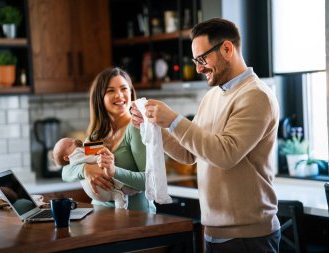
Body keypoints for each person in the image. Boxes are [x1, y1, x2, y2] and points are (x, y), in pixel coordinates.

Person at [131, 18, 280, 252]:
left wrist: (174, 120)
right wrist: (155, 128)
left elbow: (225, 154)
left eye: (202, 59)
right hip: (213, 232)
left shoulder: (256, 96)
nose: (199, 68)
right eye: (196, 60)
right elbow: (190, 153)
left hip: (248, 237)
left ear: (227, 49)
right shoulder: (212, 96)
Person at [62, 67, 155, 213]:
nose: (119, 95)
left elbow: (150, 182)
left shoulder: (135, 128)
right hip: (100, 216)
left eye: (124, 89)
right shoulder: (96, 136)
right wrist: (84, 169)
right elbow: (65, 172)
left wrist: (114, 171)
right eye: (110, 90)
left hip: (135, 218)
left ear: (131, 92)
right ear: (100, 98)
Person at [53, 137, 140, 209]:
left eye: (71, 139)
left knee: (118, 194)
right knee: (120, 184)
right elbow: (64, 173)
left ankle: (120, 207)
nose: (74, 141)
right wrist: (85, 169)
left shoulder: (82, 150)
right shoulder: (77, 153)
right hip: (99, 200)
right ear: (67, 158)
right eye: (69, 144)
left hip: (102, 198)